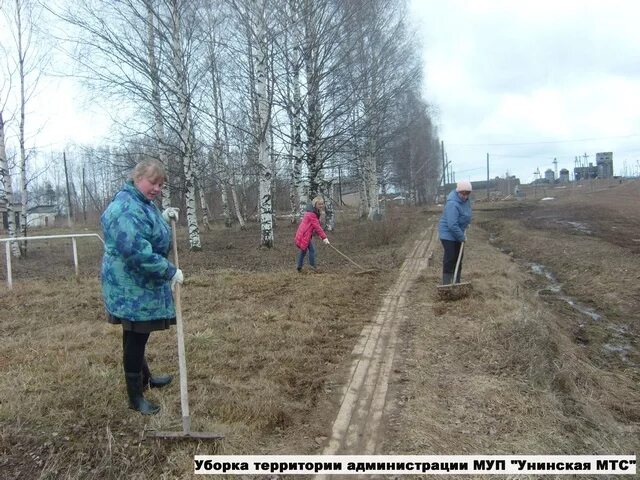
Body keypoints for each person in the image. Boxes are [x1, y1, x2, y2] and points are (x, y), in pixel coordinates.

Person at [100, 159, 183, 415]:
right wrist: (169, 270)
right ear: (137, 178)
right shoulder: (124, 207)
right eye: (153, 182)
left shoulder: (140, 202)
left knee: (137, 334)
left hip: (138, 284)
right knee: (136, 336)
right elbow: (137, 251)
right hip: (130, 286)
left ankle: (145, 379)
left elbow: (144, 229)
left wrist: (162, 216)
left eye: (160, 184)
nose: (157, 188)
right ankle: (135, 397)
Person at [438, 180, 472, 285]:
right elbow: (452, 224)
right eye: (463, 193)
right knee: (451, 257)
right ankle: (447, 284)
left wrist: (467, 223)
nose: (465, 196)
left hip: (458, 232)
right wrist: (461, 237)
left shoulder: (466, 202)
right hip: (448, 234)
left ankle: (457, 282)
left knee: (458, 258)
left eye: (467, 193)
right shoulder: (452, 203)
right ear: (458, 192)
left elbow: (466, 214)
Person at [294, 196, 330, 272]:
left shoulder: (313, 212)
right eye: (319, 204)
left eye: (322, 204)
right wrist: (324, 238)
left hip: (305, 234)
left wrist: (319, 235)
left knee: (303, 250)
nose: (321, 205)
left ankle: (299, 267)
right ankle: (312, 267)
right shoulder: (312, 214)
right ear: (315, 204)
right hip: (304, 235)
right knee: (311, 250)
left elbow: (313, 226)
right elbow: (317, 227)